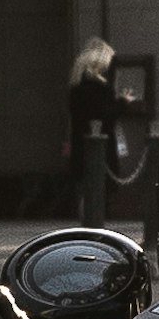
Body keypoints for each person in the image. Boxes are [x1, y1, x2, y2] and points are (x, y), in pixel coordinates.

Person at [63, 36, 124, 221]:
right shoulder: (99, 90)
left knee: (86, 189)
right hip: (99, 146)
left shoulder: (77, 88)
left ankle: (88, 223)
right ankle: (94, 224)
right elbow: (106, 115)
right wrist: (121, 103)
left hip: (82, 144)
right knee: (98, 189)